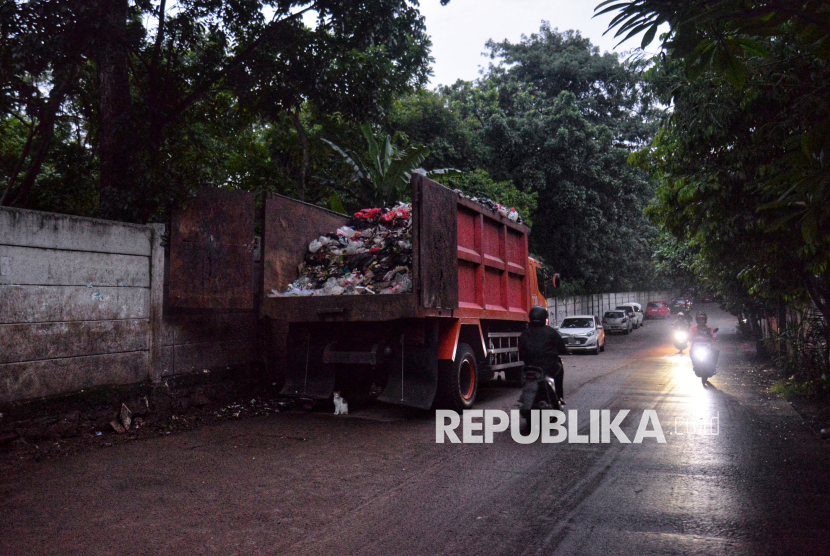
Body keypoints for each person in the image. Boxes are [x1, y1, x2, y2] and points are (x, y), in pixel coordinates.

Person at [519, 306, 569, 404]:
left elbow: (521, 351)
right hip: (548, 368)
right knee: (560, 367)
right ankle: (559, 397)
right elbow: (561, 347)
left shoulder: (525, 333)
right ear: (544, 318)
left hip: (529, 368)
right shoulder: (551, 332)